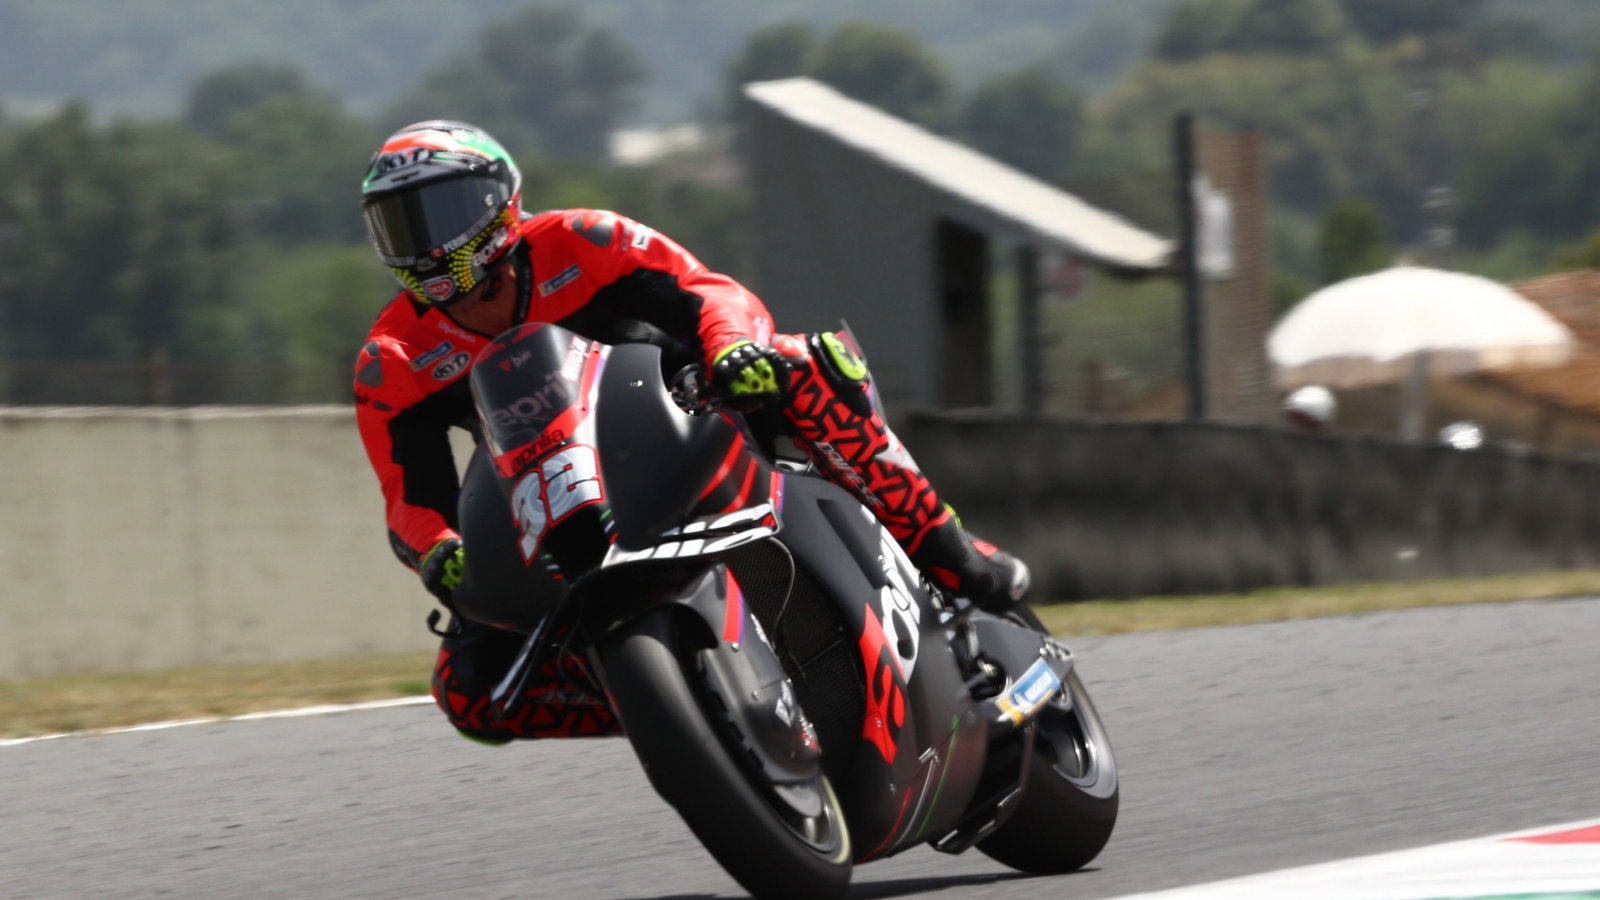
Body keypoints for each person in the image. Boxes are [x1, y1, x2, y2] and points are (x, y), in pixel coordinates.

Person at [354, 120, 1029, 743]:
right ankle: (686, 709)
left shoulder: (585, 239)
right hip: (559, 500)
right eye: (397, 226)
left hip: (687, 416)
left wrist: (732, 348)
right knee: (469, 693)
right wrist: (439, 549)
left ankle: (948, 552)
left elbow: (708, 290)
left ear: (497, 202)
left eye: (437, 213)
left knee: (803, 364)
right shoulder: (394, 358)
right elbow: (407, 497)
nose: (422, 244)